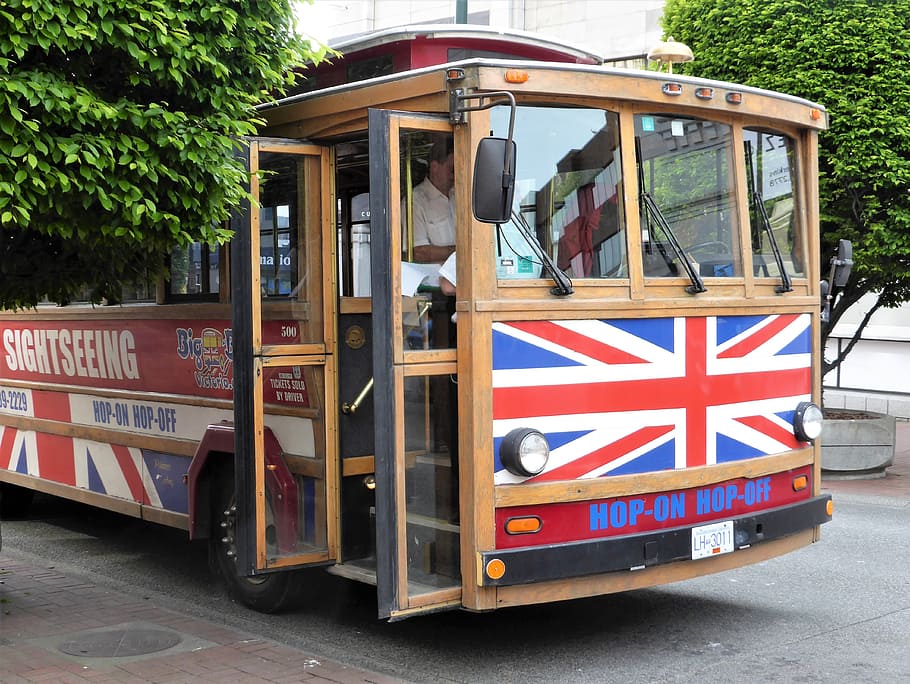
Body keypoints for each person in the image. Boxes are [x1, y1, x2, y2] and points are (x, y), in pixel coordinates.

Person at [407, 137, 456, 264]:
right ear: (434, 167)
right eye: (452, 170)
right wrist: (462, 251)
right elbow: (419, 252)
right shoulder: (415, 202)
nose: (456, 175)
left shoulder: (461, 195)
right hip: (433, 283)